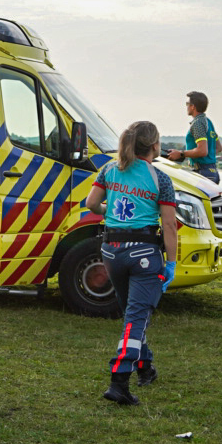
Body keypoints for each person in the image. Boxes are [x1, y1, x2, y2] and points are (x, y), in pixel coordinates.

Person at [85, 120, 178, 407]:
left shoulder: (110, 169)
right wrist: (172, 264)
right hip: (144, 254)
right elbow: (170, 225)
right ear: (153, 146)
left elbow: (91, 204)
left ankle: (145, 367)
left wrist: (109, 211)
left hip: (111, 251)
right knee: (137, 318)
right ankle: (119, 379)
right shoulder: (159, 178)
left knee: (131, 315)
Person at [166, 91, 219, 184]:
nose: (186, 106)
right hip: (212, 171)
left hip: (202, 172)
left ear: (193, 106)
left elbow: (203, 151)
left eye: (187, 104)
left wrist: (181, 154)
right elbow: (218, 148)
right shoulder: (208, 122)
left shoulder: (197, 123)